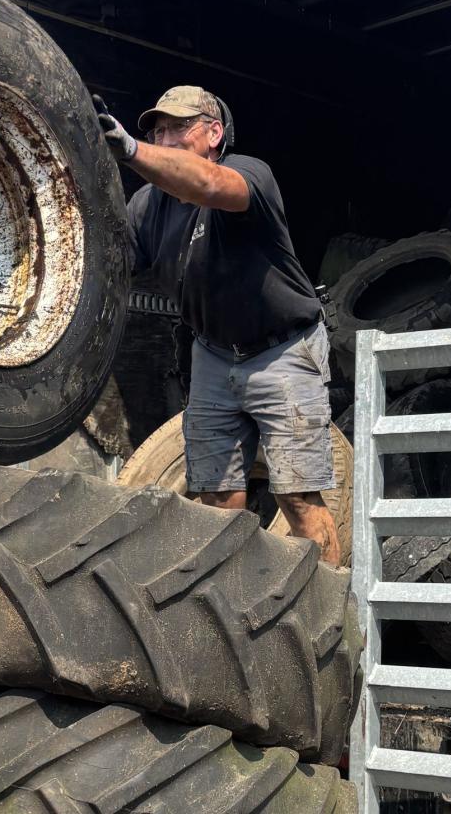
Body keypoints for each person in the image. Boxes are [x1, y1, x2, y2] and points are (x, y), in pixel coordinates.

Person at [94, 86, 341, 565]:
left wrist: (128, 148)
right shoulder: (147, 205)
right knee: (217, 502)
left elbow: (206, 185)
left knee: (297, 497)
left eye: (177, 127)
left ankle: (332, 619)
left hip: (282, 351)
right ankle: (238, 618)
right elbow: (110, 261)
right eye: (157, 130)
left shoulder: (250, 174)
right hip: (211, 356)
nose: (164, 138)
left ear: (214, 133)